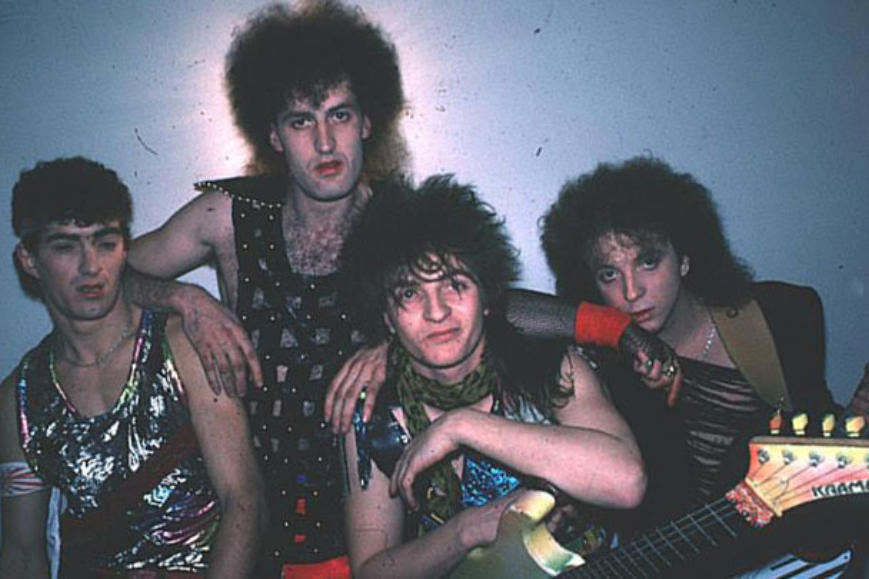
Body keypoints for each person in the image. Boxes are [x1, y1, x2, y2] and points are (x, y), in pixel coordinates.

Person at [124, 2, 675, 576]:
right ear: (274, 135)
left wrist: (618, 329)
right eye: (301, 121)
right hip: (258, 515)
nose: (324, 142)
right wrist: (187, 300)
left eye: (340, 115)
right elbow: (111, 278)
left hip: (381, 503)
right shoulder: (226, 216)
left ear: (367, 121)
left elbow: (492, 304)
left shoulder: (396, 226)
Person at [540, 156, 858, 576]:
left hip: (799, 553)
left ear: (685, 259)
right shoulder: (609, 371)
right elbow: (500, 312)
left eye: (648, 261)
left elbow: (822, 436)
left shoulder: (783, 313)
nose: (632, 292)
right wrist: (626, 338)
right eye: (609, 274)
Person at [340, 175, 646, 577]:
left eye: (455, 285)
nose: (437, 312)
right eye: (410, 293)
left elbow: (626, 482)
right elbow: (371, 571)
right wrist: (465, 532)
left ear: (486, 296)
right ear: (386, 317)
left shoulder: (552, 368)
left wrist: (461, 427)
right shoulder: (372, 415)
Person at [0, 157, 265, 577]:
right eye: (66, 246)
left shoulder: (182, 345)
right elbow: (22, 554)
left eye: (105, 243)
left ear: (126, 248)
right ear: (29, 260)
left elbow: (244, 501)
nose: (90, 266)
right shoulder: (19, 398)